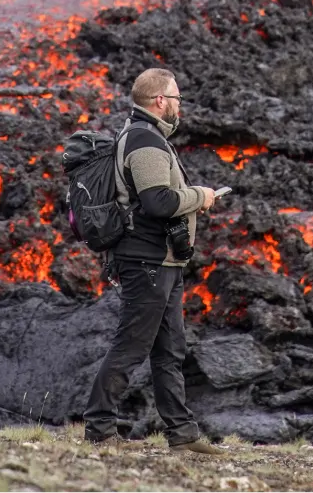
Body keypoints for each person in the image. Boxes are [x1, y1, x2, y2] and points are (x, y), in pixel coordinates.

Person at [82, 67, 225, 454]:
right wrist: (201, 196)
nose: (180, 105)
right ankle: (98, 427)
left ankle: (182, 434)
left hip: (164, 261)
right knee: (132, 345)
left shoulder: (147, 136)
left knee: (169, 349)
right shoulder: (145, 141)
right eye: (177, 98)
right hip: (147, 261)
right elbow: (158, 201)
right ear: (160, 101)